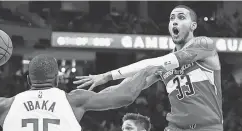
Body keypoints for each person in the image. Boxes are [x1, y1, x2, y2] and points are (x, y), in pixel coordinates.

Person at [74, 5, 223, 131]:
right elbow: (125, 87)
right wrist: (87, 99)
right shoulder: (164, 65)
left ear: (193, 26)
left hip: (207, 127)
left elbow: (153, 64)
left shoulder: (204, 44)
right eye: (172, 18)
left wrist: (108, 75)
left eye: (181, 17)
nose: (175, 22)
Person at [0, 54, 160, 131]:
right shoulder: (74, 101)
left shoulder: (3, 106)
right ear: (57, 80)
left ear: (29, 80)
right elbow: (123, 96)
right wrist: (149, 68)